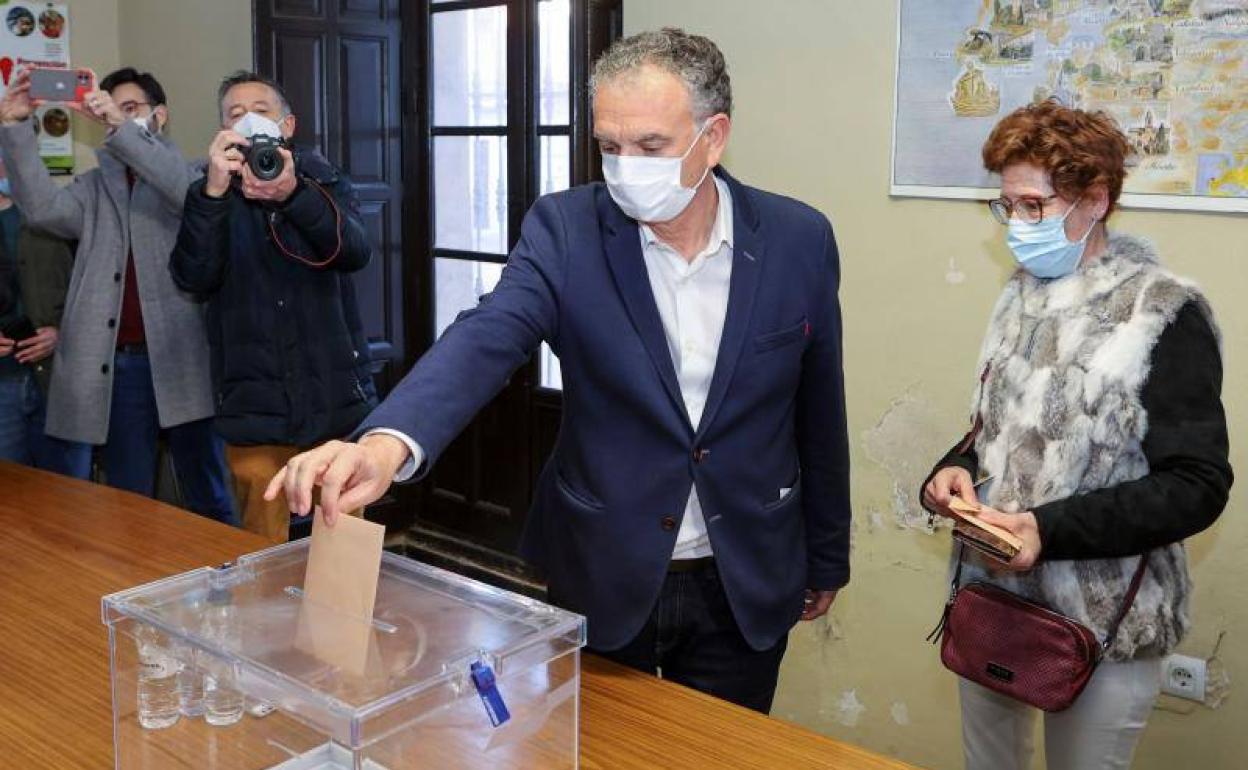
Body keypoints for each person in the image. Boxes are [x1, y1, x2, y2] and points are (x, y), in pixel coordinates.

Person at [265, 28, 852, 713]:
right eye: (610, 145)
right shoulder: (566, 231)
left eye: (652, 147)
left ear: (713, 137)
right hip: (603, 565)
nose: (627, 166)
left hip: (747, 573)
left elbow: (818, 410)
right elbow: (488, 334)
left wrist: (828, 554)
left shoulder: (798, 240)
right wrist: (386, 442)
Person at [921, 101, 1232, 770]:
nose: (1017, 226)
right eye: (1007, 206)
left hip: (1105, 619)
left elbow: (1196, 486)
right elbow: (1005, 423)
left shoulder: (1162, 313)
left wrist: (1047, 530)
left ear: (1095, 199)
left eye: (1034, 206)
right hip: (995, 599)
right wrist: (957, 466)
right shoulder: (1022, 292)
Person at [0, 67, 235, 524]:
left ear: (159, 116)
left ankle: (227, 586)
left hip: (184, 363)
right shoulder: (95, 186)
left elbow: (184, 195)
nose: (120, 119)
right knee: (131, 500)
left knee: (207, 491)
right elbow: (44, 210)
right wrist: (15, 127)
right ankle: (134, 593)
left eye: (133, 111)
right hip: (120, 368)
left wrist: (118, 127)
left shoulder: (197, 173)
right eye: (114, 109)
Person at [170, 70, 377, 542]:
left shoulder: (323, 178)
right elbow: (192, 278)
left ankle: (343, 619)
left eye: (259, 111)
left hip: (332, 400)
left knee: (341, 541)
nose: (247, 122)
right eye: (234, 115)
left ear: (287, 126)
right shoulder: (208, 191)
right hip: (252, 404)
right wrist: (214, 195)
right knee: (259, 549)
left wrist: (293, 194)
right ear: (221, 131)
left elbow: (355, 252)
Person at [0, 162, 92, 477]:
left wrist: (61, 332)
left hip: (59, 380)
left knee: (70, 499)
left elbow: (95, 288)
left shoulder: (59, 215)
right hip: (3, 386)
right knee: (11, 503)